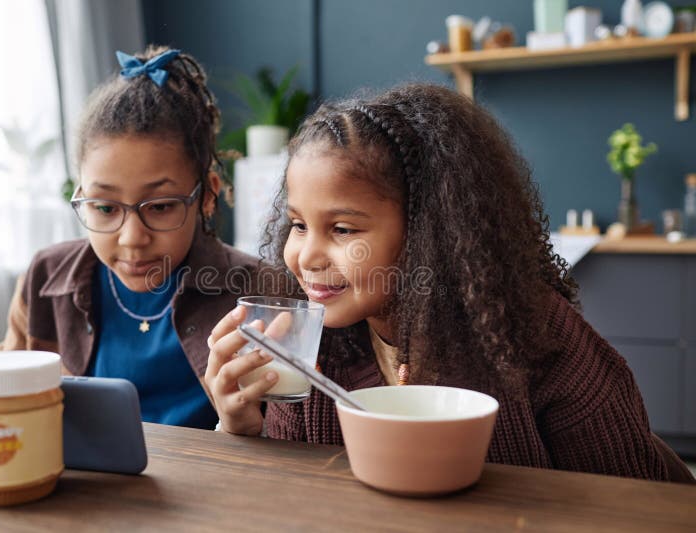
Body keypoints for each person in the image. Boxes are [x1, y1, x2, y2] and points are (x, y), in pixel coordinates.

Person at [204, 83, 695, 482]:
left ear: (427, 231)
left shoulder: (535, 340)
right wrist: (242, 429)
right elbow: (295, 500)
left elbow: (639, 501)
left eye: (343, 229)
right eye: (297, 224)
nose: (306, 256)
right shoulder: (313, 344)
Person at [0, 45, 257, 428]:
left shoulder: (256, 292)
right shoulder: (47, 276)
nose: (132, 238)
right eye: (104, 208)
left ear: (208, 196)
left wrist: (245, 426)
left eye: (161, 206)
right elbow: (2, 380)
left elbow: (292, 437)